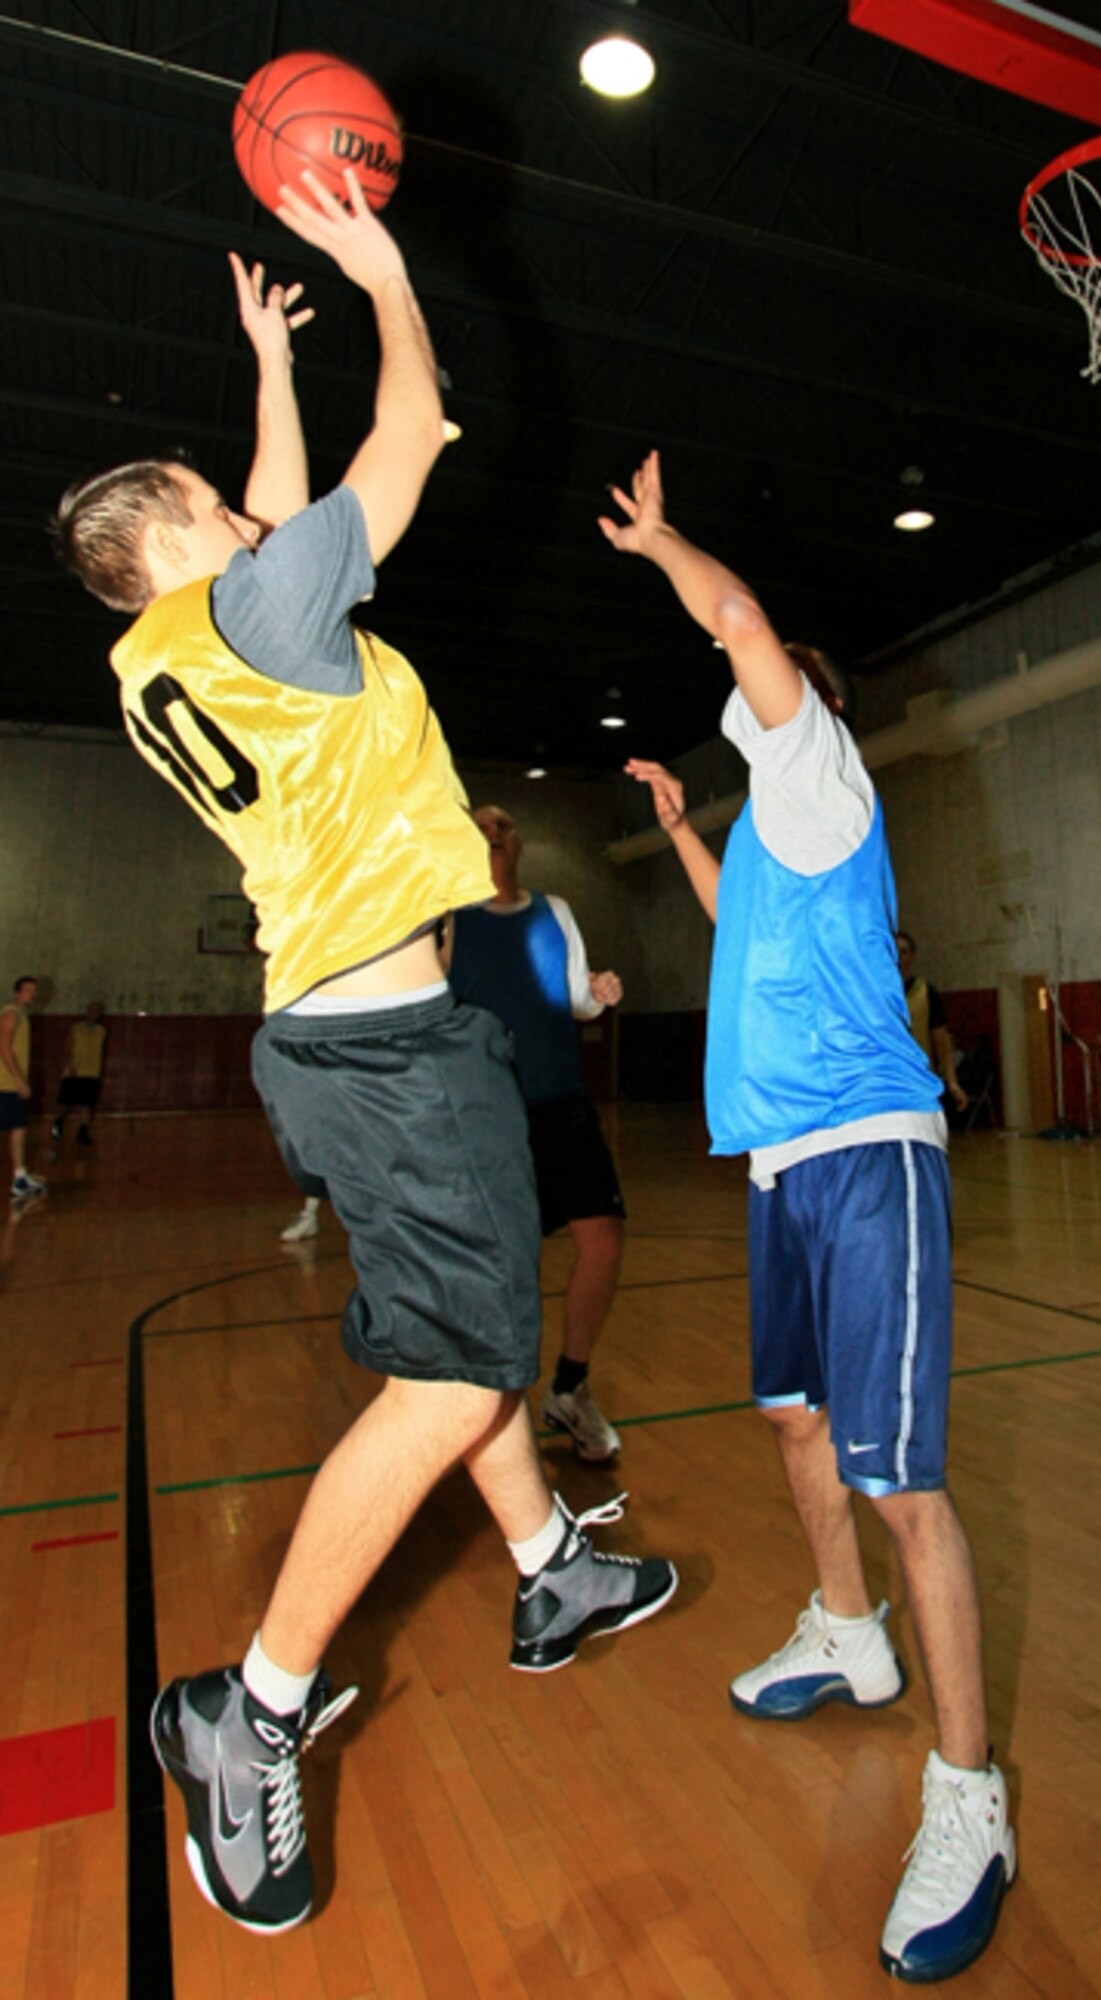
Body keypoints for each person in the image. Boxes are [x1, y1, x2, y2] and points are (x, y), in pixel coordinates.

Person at [54, 170, 675, 1936]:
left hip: (347, 1031)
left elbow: (264, 508)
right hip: (388, 1047)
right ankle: (238, 1718)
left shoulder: (173, 646)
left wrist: (263, 359)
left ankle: (549, 1570)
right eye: (210, 501)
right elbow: (412, 429)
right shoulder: (260, 608)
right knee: (457, 1372)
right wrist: (383, 270)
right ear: (163, 540)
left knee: (453, 1336)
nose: (249, 510)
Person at [602, 451, 1014, 1986]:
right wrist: (682, 829)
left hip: (867, 1153)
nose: (742, 686)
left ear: (804, 705)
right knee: (790, 1422)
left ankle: (970, 1797)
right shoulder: (781, 842)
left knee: (903, 1480)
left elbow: (746, 618)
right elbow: (736, 922)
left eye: (762, 683)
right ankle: (848, 1634)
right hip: (782, 1167)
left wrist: (665, 551)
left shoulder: (825, 772)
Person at [449, 805, 628, 1463]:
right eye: (481, 824)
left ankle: (570, 1389)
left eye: (503, 825)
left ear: (519, 842)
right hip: (489, 1116)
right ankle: (493, 1413)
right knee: (506, 1265)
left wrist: (595, 989)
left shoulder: (554, 909)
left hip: (563, 1104)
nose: (494, 832)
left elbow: (576, 998)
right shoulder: (448, 919)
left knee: (603, 1238)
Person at [895, 931, 969, 1116]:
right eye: (894, 951)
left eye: (903, 952)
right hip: (889, 1081)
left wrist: (951, 1082)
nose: (898, 957)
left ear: (913, 957)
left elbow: (942, 1042)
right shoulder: (875, 994)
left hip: (921, 1079)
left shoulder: (927, 993)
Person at [1, 976, 47, 1200]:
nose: (32, 994)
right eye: (28, 989)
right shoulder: (11, 1014)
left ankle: (20, 1177)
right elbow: (4, 1049)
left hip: (12, 1086)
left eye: (34, 990)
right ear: (17, 992)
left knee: (19, 1127)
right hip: (4, 1085)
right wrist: (19, 1080)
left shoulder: (22, 1015)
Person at [51, 1000, 107, 1145]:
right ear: (86, 1011)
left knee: (87, 1104)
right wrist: (69, 1065)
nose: (94, 1013)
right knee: (66, 1103)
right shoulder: (76, 1028)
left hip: (92, 1072)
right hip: (75, 1071)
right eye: (91, 1010)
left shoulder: (101, 1031)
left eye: (97, 1011)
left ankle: (83, 1132)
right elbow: (67, 1047)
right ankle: (58, 1123)